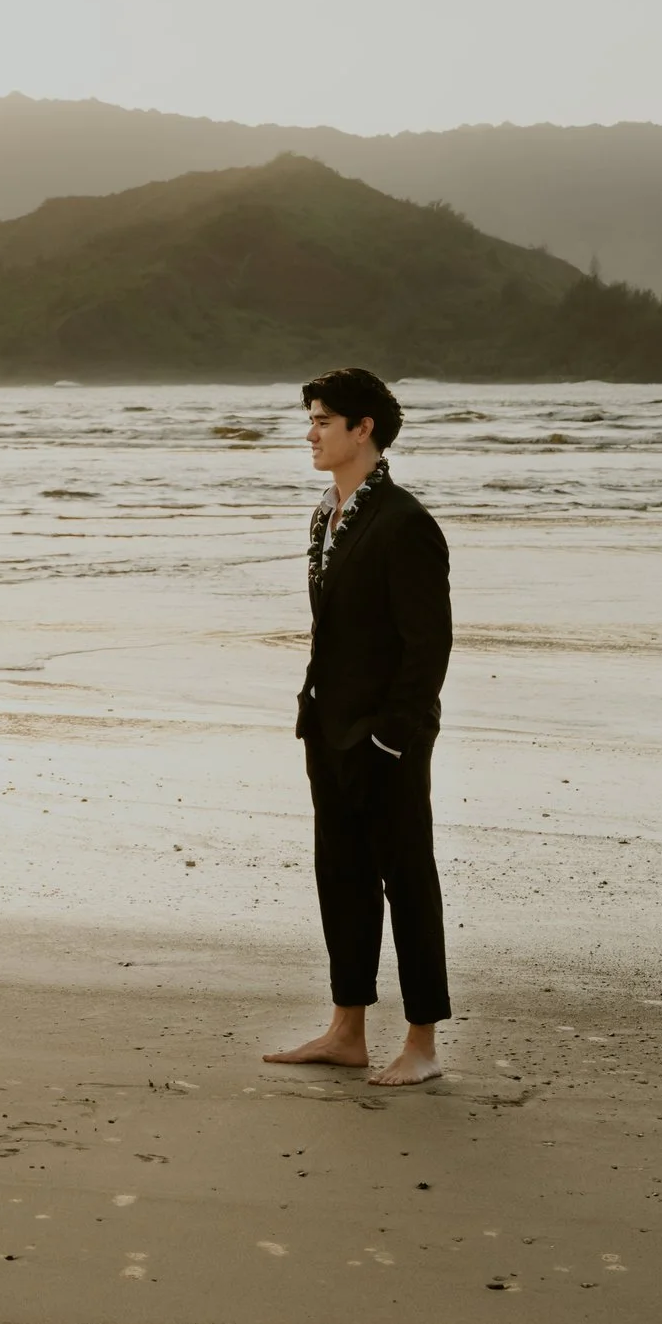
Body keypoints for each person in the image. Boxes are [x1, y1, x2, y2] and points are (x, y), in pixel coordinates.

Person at [262, 368, 453, 1087]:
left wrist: (391, 735)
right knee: (339, 877)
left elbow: (428, 645)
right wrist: (316, 714)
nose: (310, 434)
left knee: (407, 880)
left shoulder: (406, 523)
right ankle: (346, 1030)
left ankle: (423, 1043)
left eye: (321, 420)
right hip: (327, 727)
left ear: (361, 428)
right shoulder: (326, 512)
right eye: (311, 420)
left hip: (387, 737)